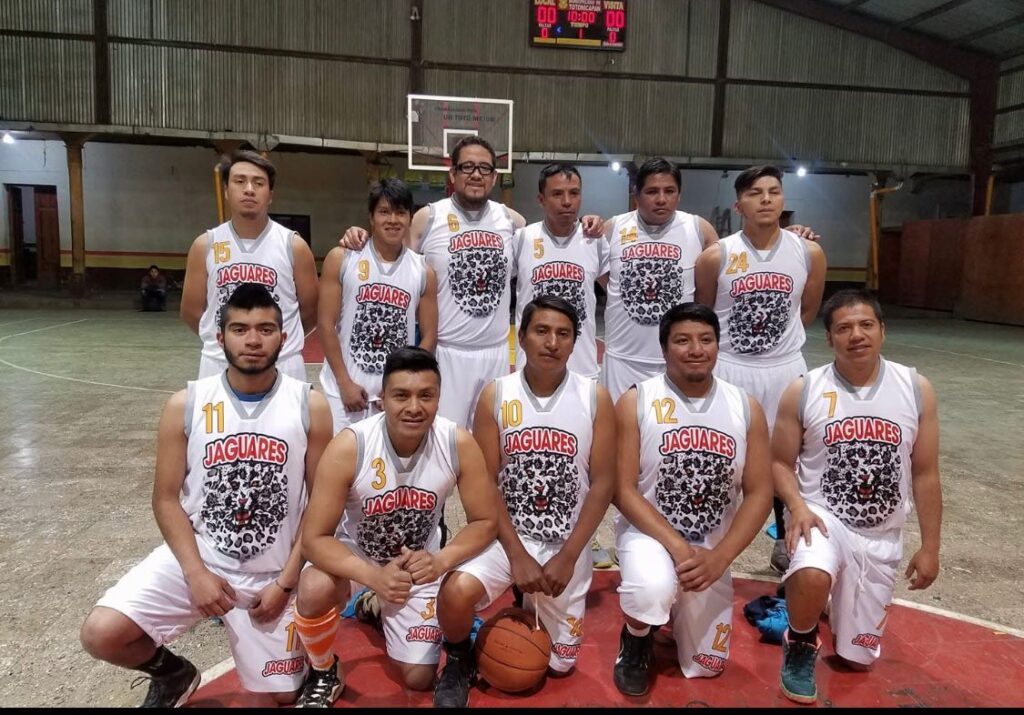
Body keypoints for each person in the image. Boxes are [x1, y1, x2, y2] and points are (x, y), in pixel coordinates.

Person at [79, 283, 334, 707]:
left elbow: (320, 506)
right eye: (240, 329)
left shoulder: (310, 406)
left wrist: (286, 583)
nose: (253, 340)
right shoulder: (186, 404)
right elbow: (165, 499)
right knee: (101, 633)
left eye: (265, 329)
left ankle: (305, 656)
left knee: (282, 695)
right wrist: (195, 573)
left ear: (284, 337)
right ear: (220, 337)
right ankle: (173, 674)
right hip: (203, 560)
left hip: (270, 576)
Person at [340, 137, 604, 430]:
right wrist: (359, 235)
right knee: (445, 438)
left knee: (496, 438)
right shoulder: (428, 218)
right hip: (447, 352)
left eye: (484, 168)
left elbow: (552, 241)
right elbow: (390, 255)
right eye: (467, 167)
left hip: (497, 353)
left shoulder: (512, 221)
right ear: (452, 174)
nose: (476, 174)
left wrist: (587, 222)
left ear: (494, 177)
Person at [431, 296, 617, 707]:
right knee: (455, 593)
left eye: (563, 334)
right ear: (523, 336)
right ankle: (459, 659)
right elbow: (485, 484)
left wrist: (570, 555)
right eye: (542, 331)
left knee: (558, 664)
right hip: (506, 537)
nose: (552, 342)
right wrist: (516, 556)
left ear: (575, 342)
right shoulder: (495, 395)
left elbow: (604, 483)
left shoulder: (595, 397)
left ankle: (525, 601)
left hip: (565, 544)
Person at [290, 347, 499, 707]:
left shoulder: (457, 442)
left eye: (426, 396)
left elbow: (485, 521)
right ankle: (325, 671)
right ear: (383, 399)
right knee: (313, 588)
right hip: (359, 556)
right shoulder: (350, 446)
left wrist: (441, 560)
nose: (414, 407)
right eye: (401, 395)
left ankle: (374, 608)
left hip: (419, 563)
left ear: (439, 398)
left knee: (418, 678)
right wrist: (373, 577)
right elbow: (313, 539)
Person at [771, 289, 941, 704]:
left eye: (866, 325)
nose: (856, 335)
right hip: (823, 516)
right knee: (813, 570)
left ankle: (831, 600)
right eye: (844, 328)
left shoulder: (915, 388)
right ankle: (801, 642)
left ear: (883, 330)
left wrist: (931, 548)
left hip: (881, 532)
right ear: (829, 337)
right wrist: (796, 507)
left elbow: (925, 473)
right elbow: (778, 463)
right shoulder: (804, 389)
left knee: (855, 658)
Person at [611, 303, 773, 696]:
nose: (696, 349)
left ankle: (674, 611)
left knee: (706, 666)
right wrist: (676, 545)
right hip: (650, 535)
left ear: (718, 345)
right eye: (682, 340)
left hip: (710, 547)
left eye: (706, 339)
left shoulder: (745, 406)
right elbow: (622, 489)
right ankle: (636, 637)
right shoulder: (636, 400)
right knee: (650, 589)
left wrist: (721, 557)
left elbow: (760, 493)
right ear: (664, 348)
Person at [694, 165, 827, 576]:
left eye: (773, 191)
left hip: (785, 369)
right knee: (722, 459)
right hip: (731, 368)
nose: (766, 199)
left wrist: (774, 342)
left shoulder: (808, 253)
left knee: (789, 460)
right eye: (755, 193)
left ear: (783, 199)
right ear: (739, 205)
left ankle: (788, 541)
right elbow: (705, 315)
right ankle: (708, 539)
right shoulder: (716, 256)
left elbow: (807, 311)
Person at [180, 150, 319, 381]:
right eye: (240, 181)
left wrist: (272, 340)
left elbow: (311, 312)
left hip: (282, 362)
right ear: (226, 191)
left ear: (270, 195)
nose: (249, 189)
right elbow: (191, 312)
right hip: (219, 363)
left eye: (258, 183)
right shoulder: (205, 245)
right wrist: (231, 341)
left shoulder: (294, 246)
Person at [318, 178, 438, 434]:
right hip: (344, 391)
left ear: (410, 217)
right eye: (384, 212)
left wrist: (402, 385)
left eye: (400, 213)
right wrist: (344, 383)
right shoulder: (342, 258)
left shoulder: (423, 271)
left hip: (393, 396)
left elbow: (429, 336)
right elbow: (326, 325)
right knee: (341, 458)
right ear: (371, 217)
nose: (393, 220)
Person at [601, 158, 719, 402]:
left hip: (678, 361)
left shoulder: (699, 229)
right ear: (636, 194)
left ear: (679, 194)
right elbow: (606, 279)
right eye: (652, 191)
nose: (661, 199)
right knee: (619, 425)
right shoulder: (613, 228)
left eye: (669, 191)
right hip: (622, 358)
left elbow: (711, 285)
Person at [513, 165, 608, 380]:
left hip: (582, 369)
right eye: (557, 194)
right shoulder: (522, 238)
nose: (567, 201)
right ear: (541, 199)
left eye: (574, 193)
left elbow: (617, 294)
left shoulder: (595, 241)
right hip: (530, 368)